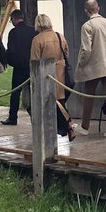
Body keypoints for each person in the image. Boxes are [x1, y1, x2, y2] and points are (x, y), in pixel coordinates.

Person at [76, 0, 106, 138]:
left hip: (93, 66)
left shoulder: (87, 26)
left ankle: (85, 127)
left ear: (86, 11)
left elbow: (86, 49)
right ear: (99, 8)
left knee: (88, 96)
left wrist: (81, 64)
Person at [30, 13, 75, 141]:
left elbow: (34, 61)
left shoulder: (37, 40)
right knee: (60, 101)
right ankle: (67, 126)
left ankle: (63, 127)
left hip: (46, 74)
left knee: (46, 104)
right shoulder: (59, 36)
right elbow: (66, 53)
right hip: (61, 73)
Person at [0, 9, 36, 126]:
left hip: (19, 66)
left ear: (14, 19)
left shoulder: (13, 32)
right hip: (32, 65)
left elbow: (11, 50)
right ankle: (35, 114)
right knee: (34, 92)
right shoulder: (33, 31)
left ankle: (13, 117)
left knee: (15, 93)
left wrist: (9, 61)